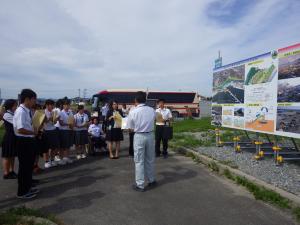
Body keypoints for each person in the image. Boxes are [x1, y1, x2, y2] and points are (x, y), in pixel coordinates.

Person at [127, 91, 156, 192]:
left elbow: (130, 128)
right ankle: (152, 180)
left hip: (139, 136)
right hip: (150, 135)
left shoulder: (133, 111)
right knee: (150, 159)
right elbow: (156, 120)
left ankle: (140, 185)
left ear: (136, 100)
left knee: (139, 161)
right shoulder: (152, 110)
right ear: (145, 99)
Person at [13, 89, 39, 199]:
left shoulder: (26, 110)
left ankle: (27, 187)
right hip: (23, 142)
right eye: (34, 99)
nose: (34, 102)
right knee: (24, 167)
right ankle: (22, 192)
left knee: (28, 167)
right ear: (27, 99)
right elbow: (21, 129)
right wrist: (34, 132)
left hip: (28, 141)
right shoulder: (21, 111)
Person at [1, 99, 18, 179]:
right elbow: (16, 123)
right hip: (9, 137)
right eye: (15, 105)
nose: (16, 107)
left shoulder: (12, 113)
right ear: (10, 106)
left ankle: (11, 171)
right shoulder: (7, 115)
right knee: (7, 155)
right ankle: (6, 173)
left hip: (13, 137)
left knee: (12, 155)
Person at [43, 99, 60, 169]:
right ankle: (46, 161)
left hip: (53, 129)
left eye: (53, 105)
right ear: (47, 105)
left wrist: (56, 119)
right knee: (46, 148)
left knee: (54, 147)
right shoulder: (43, 112)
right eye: (51, 105)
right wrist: (50, 117)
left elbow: (54, 122)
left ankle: (52, 160)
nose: (53, 106)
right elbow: (44, 122)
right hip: (46, 131)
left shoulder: (53, 112)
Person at [58, 98, 74, 165]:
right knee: (62, 146)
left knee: (68, 145)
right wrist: (68, 124)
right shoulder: (61, 112)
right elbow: (61, 123)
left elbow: (72, 120)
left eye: (68, 105)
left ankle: (66, 157)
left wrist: (72, 125)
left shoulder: (70, 112)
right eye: (66, 105)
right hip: (63, 131)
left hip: (69, 130)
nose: (67, 106)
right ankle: (61, 159)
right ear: (63, 105)